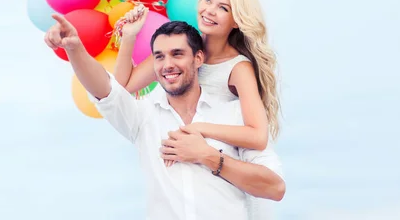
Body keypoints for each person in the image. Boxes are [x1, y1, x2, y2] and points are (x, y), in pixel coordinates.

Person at [44, 16, 285, 220]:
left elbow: (274, 187)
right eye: (159, 56)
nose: (167, 65)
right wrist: (75, 49)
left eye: (177, 54)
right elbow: (106, 90)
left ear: (198, 58)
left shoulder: (233, 114)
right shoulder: (143, 117)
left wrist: (208, 156)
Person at [114, 0, 280, 155]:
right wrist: (129, 36)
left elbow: (258, 136)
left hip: (212, 163)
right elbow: (123, 86)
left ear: (237, 20)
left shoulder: (238, 69)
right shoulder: (181, 48)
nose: (209, 10)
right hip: (175, 155)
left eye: (223, 8)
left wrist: (200, 128)